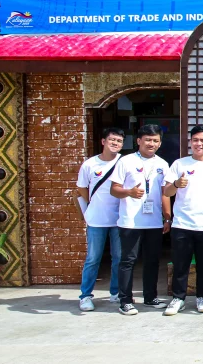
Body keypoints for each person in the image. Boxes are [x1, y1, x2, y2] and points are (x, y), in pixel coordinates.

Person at [162, 126, 203, 316]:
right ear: (190, 142)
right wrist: (176, 184)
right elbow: (166, 192)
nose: (199, 144)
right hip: (182, 224)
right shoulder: (179, 164)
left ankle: (202, 297)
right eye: (195, 140)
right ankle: (178, 298)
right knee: (180, 264)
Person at [110, 124, 171, 315]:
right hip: (130, 221)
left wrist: (167, 217)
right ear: (139, 141)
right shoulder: (125, 161)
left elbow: (165, 193)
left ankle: (150, 297)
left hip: (153, 221)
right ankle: (125, 300)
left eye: (155, 140)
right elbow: (114, 189)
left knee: (152, 260)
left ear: (160, 143)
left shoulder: (162, 164)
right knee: (128, 260)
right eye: (148, 140)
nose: (151, 143)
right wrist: (129, 192)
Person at [75, 127, 125, 312]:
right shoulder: (89, 164)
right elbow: (81, 188)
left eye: (119, 141)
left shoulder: (124, 162)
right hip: (96, 219)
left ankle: (116, 292)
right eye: (112, 140)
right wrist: (94, 204)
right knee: (93, 258)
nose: (115, 143)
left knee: (119, 258)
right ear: (103, 141)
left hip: (119, 218)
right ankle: (85, 296)